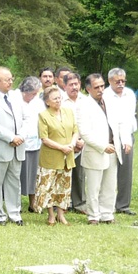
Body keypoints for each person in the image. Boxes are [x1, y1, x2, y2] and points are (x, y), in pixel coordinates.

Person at [75, 73, 125, 224]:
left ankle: (107, 214)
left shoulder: (109, 101)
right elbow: (84, 132)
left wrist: (118, 143)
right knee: (93, 187)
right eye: (97, 87)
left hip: (112, 149)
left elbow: (117, 124)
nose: (101, 90)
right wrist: (103, 146)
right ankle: (93, 215)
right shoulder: (83, 105)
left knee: (110, 185)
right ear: (88, 89)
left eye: (102, 86)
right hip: (95, 150)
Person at [0, 65, 28, 226]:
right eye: (6, 80)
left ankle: (15, 214)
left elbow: (27, 119)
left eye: (11, 79)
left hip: (17, 147)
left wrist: (21, 136)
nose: (10, 82)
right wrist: (11, 137)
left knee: (14, 182)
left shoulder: (16, 96)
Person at [35, 84, 78, 226]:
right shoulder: (43, 115)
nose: (58, 101)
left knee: (64, 186)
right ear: (47, 101)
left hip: (67, 156)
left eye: (59, 98)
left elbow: (75, 130)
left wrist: (72, 144)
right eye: (55, 99)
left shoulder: (68, 112)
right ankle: (51, 215)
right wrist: (61, 147)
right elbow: (44, 138)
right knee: (49, 186)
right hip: (51, 157)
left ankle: (61, 214)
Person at [104, 68, 138, 214]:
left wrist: (127, 140)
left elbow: (128, 118)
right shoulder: (104, 95)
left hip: (127, 134)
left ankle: (123, 205)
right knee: (108, 171)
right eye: (117, 81)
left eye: (123, 81)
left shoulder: (129, 94)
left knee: (126, 171)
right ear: (110, 81)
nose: (121, 84)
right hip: (109, 135)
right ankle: (107, 203)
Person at [60, 71, 87, 210]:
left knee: (80, 175)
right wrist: (73, 142)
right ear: (64, 86)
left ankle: (79, 203)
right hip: (65, 142)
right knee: (64, 173)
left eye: (76, 84)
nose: (74, 87)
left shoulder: (86, 101)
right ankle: (63, 203)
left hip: (84, 142)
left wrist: (82, 141)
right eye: (71, 84)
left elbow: (90, 122)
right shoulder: (60, 101)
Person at [17, 76, 43, 213]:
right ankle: (16, 204)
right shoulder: (15, 99)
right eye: (33, 93)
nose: (34, 96)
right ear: (25, 91)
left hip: (36, 143)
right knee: (17, 175)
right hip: (19, 142)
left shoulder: (38, 102)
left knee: (34, 174)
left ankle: (33, 203)